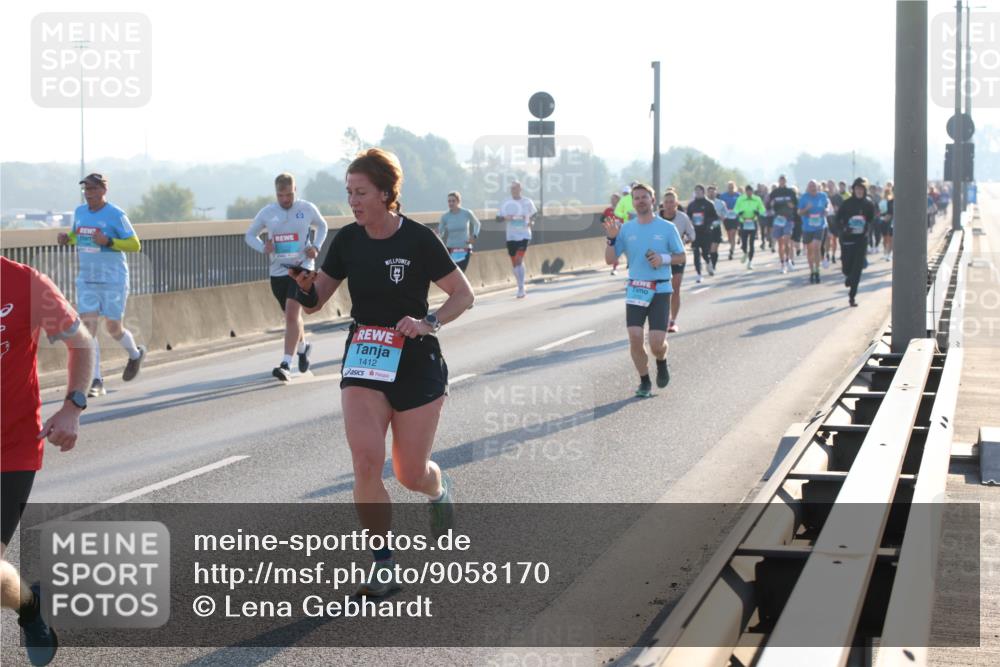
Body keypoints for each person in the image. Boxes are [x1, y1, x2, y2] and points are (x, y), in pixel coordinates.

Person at [289, 148, 474, 596]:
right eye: (348, 192)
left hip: (416, 362)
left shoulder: (417, 240)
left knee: (409, 473)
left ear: (387, 194)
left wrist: (427, 323)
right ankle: (383, 563)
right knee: (366, 461)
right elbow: (320, 299)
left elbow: (462, 295)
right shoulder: (348, 241)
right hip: (366, 357)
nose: (352, 201)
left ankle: (437, 489)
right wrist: (304, 289)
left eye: (361, 192)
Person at [2, 257, 96, 666]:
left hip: (11, 449)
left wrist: (73, 406)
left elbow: (83, 342)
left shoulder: (25, 284)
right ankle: (28, 604)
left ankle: (29, 607)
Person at [57, 173, 145, 397]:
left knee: (114, 328)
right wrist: (68, 239)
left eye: (93, 189)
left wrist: (110, 242)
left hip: (113, 279)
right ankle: (96, 380)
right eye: (86, 190)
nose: (88, 194)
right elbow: (80, 236)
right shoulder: (80, 212)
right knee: (88, 329)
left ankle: (135, 355)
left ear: (103, 191)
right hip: (87, 279)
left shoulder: (116, 214)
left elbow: (135, 245)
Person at [603, 184, 685, 398]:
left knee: (657, 343)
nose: (640, 201)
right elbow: (610, 259)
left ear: (652, 199)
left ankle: (661, 360)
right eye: (636, 198)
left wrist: (663, 259)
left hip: (660, 288)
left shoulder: (667, 228)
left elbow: (681, 256)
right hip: (636, 288)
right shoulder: (627, 229)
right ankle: (645, 381)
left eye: (644, 197)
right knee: (635, 336)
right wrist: (611, 239)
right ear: (632, 202)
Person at [245, 172, 329, 382]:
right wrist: (264, 247)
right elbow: (249, 235)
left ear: (295, 191)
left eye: (289, 195)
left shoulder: (306, 209)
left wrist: (316, 247)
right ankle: (302, 347)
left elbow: (323, 226)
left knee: (292, 313)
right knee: (292, 317)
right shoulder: (267, 212)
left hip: (301, 268)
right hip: (278, 271)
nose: (285, 199)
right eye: (281, 195)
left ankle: (285, 364)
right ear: (276, 193)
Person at [835, 177, 877, 306]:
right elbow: (837, 219)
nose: (859, 191)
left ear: (865, 191)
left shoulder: (868, 204)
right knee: (847, 268)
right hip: (847, 239)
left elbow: (871, 219)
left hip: (861, 240)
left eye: (862, 189)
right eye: (857, 189)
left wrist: (866, 228)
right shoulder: (847, 203)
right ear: (853, 189)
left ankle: (852, 296)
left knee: (857, 268)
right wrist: (844, 229)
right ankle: (849, 276)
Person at [660, 190, 695, 333]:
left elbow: (692, 234)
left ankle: (672, 321)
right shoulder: (657, 218)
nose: (669, 205)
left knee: (675, 289)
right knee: (662, 292)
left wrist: (686, 240)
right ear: (663, 203)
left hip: (677, 256)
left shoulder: (682, 218)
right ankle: (662, 318)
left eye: (671, 202)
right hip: (661, 257)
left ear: (676, 203)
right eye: (666, 202)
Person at [498, 180, 538, 298]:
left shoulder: (527, 202)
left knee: (519, 259)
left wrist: (532, 221)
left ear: (520, 189)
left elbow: (534, 214)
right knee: (515, 262)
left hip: (524, 234)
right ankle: (520, 284)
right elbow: (498, 218)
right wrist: (505, 217)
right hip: (511, 236)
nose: (514, 190)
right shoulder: (506, 202)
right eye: (512, 188)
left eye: (516, 188)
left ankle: (521, 288)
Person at [438, 191, 481, 273]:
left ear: (458, 201)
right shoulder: (445, 216)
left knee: (461, 274)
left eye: (453, 201)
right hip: (451, 249)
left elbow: (477, 224)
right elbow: (441, 232)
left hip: (464, 248)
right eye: (449, 201)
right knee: (452, 274)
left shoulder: (466, 213)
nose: (451, 203)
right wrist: (436, 233)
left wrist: (474, 236)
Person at [797, 179, 830, 283]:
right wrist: (806, 208)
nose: (812, 188)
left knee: (817, 247)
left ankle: (817, 270)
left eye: (814, 186)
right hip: (807, 227)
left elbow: (827, 205)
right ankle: (812, 271)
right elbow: (799, 213)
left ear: (817, 187)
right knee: (810, 250)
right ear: (808, 188)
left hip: (820, 226)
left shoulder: (823, 196)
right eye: (810, 186)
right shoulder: (804, 197)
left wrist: (827, 210)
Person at [686, 184, 720, 283]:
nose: (697, 192)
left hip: (706, 232)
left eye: (699, 191)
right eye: (696, 191)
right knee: (696, 253)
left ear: (703, 192)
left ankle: (708, 262)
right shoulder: (692, 205)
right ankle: (698, 274)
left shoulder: (709, 204)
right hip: (695, 233)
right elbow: (687, 218)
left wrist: (709, 223)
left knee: (705, 253)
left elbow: (715, 217)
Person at [733, 184, 766, 270]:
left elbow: (762, 209)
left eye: (750, 191)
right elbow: (735, 209)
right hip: (743, 222)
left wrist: (758, 213)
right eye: (747, 191)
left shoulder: (757, 199)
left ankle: (750, 262)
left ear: (752, 191)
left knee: (751, 243)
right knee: (744, 243)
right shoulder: (740, 199)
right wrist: (738, 213)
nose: (749, 193)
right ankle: (745, 252)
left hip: (753, 222)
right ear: (745, 191)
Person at [769, 175, 799, 267]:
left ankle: (788, 259)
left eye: (784, 180)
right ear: (778, 181)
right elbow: (768, 205)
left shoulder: (790, 192)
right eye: (780, 180)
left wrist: (792, 206)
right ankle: (782, 263)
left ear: (786, 181)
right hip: (778, 219)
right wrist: (771, 204)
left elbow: (796, 205)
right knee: (780, 242)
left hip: (788, 219)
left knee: (787, 240)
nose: (782, 181)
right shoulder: (774, 192)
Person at [718, 181, 741, 260]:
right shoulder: (723, 196)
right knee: (729, 235)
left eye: (732, 187)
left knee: (733, 233)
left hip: (735, 217)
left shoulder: (738, 195)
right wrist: (721, 215)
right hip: (727, 217)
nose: (730, 188)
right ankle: (731, 244)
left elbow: (740, 205)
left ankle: (731, 250)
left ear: (734, 187)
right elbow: (720, 206)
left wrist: (739, 212)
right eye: (729, 187)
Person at [603, 193, 624, 275]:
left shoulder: (622, 209)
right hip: (612, 233)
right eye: (611, 199)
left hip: (622, 232)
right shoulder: (607, 210)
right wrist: (606, 225)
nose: (612, 201)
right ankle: (614, 268)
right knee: (614, 249)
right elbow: (602, 219)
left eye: (614, 199)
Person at [826, 178, 843, 264]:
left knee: (834, 239)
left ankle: (833, 255)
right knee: (828, 238)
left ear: (834, 186)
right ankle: (827, 254)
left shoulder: (838, 197)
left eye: (831, 185)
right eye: (828, 185)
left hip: (836, 220)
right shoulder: (824, 196)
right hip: (827, 220)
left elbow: (843, 208)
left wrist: (838, 209)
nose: (830, 187)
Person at [879, 181, 894, 261]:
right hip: (892, 223)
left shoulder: (904, 201)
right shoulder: (890, 202)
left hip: (902, 225)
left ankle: (889, 254)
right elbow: (889, 214)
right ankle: (889, 254)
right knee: (890, 239)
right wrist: (883, 219)